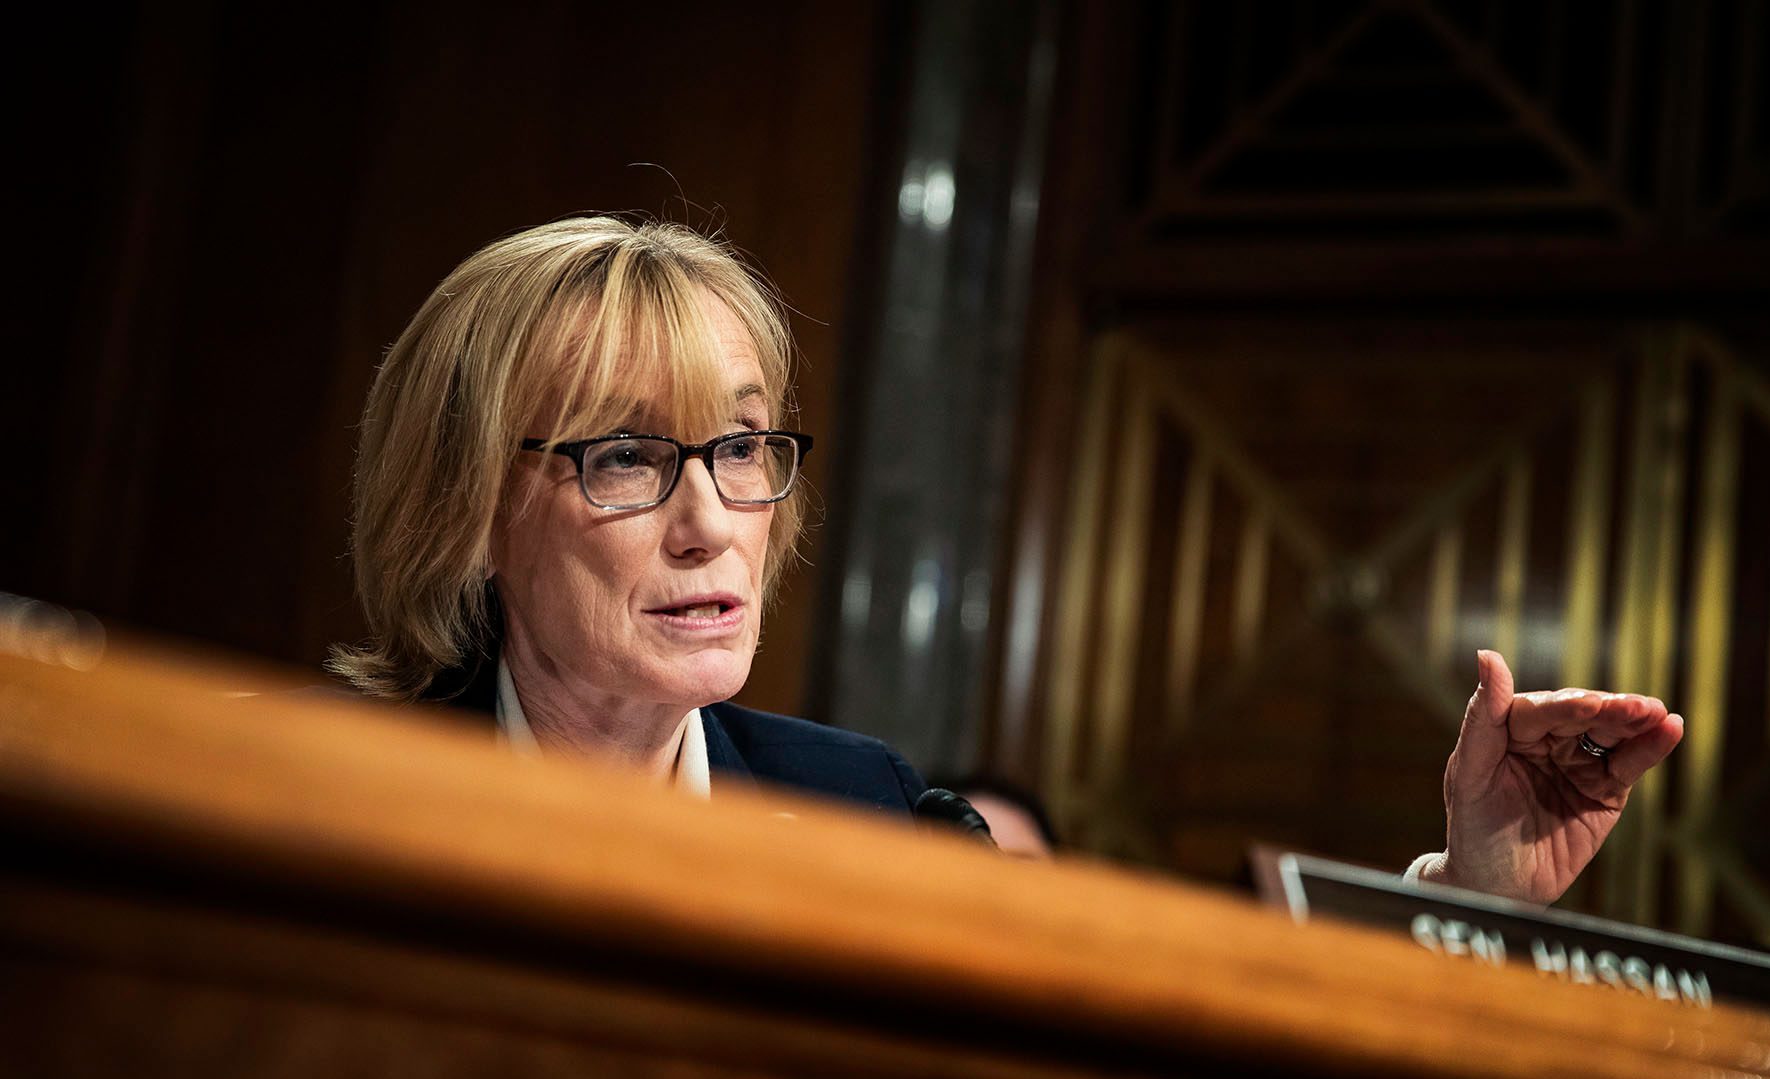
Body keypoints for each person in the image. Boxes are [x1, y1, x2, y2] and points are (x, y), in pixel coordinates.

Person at [327, 214, 1685, 903]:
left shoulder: (865, 813)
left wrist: (1470, 899)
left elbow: (1143, 1027)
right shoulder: (309, 798)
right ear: (469, 509)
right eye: (626, 457)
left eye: (742, 448)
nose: (710, 521)